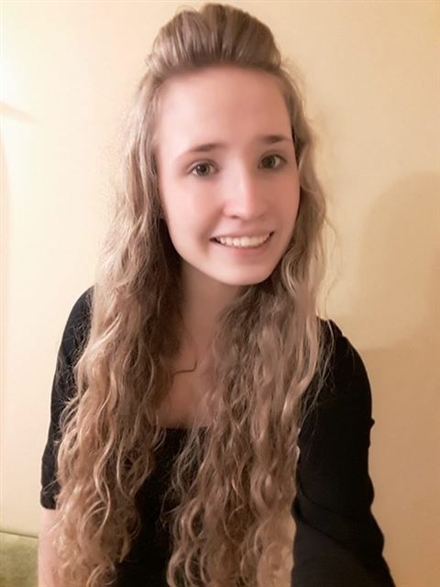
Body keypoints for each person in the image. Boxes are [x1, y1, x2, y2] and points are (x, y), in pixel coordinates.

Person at [38, 3, 396, 587]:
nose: (249, 202)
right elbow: (58, 527)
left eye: (271, 159)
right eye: (204, 167)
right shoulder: (95, 327)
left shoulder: (323, 369)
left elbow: (341, 554)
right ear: (154, 186)